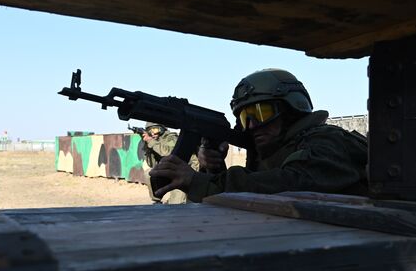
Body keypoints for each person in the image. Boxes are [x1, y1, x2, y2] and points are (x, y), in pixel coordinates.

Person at [149, 68, 368, 203]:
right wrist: (213, 169)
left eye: (261, 113)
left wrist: (198, 181)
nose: (252, 126)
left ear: (291, 110)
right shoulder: (275, 151)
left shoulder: (325, 141)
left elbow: (285, 185)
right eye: (245, 117)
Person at [142, 122, 199, 204]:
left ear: (161, 129)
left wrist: (152, 142)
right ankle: (157, 200)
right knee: (149, 174)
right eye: (150, 131)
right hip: (172, 170)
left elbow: (169, 153)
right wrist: (148, 147)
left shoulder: (171, 137)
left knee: (177, 203)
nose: (153, 133)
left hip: (186, 170)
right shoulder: (155, 141)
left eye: (155, 129)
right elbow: (152, 164)